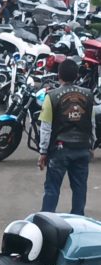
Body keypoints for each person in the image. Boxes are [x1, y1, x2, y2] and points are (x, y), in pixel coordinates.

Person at [38, 59, 95, 215]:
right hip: (82, 148)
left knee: (52, 188)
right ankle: (78, 220)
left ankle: (46, 219)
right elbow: (92, 124)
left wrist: (43, 152)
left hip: (59, 150)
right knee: (80, 188)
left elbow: (46, 128)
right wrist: (91, 145)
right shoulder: (88, 95)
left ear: (59, 75)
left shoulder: (51, 96)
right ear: (76, 76)